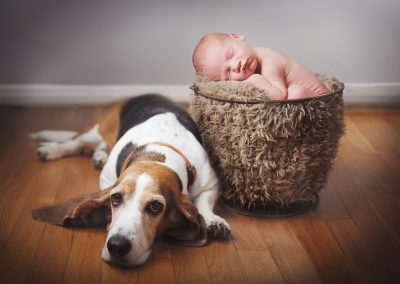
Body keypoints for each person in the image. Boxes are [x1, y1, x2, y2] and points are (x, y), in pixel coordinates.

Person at [192, 33, 328, 100]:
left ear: (236, 36)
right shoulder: (248, 61)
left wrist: (255, 80)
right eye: (228, 74)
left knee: (295, 92)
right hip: (309, 100)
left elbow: (280, 96)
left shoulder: (268, 61)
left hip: (321, 100)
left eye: (231, 54)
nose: (236, 65)